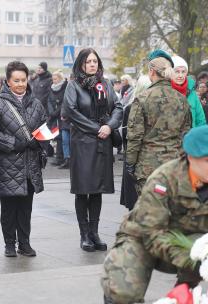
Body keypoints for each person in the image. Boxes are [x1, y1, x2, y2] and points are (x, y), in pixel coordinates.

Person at [102, 125, 208, 304]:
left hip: (193, 242)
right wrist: (192, 260)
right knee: (123, 289)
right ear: (191, 157)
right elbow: (150, 232)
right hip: (142, 238)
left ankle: (186, 293)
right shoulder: (164, 179)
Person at [63, 48, 123, 252]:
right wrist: (97, 128)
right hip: (83, 143)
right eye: (88, 61)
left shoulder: (105, 84)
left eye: (95, 61)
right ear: (81, 64)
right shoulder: (73, 86)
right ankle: (84, 234)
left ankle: (95, 232)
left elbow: (118, 107)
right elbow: (71, 111)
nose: (92, 64)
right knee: (83, 190)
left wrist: (109, 126)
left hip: (102, 143)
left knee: (97, 190)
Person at [0, 61, 46, 258]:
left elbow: (44, 127)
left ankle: (25, 243)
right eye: (16, 80)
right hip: (7, 165)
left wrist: (40, 142)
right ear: (8, 81)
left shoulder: (36, 103)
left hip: (30, 164)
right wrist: (14, 143)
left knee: (26, 208)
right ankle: (9, 244)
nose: (21, 84)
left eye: (23, 80)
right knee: (9, 208)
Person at [126, 49, 191, 195]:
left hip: (148, 166)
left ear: (152, 72)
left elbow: (135, 136)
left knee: (151, 212)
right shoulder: (182, 100)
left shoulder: (142, 99)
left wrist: (130, 163)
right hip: (174, 164)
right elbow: (186, 134)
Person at [120, 75, 151, 210]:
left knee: (133, 199)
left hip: (133, 154)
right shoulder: (132, 107)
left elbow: (125, 136)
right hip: (147, 154)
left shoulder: (130, 107)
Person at [171, 55, 206, 128]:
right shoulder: (164, 91)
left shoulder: (192, 93)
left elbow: (200, 120)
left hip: (190, 137)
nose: (180, 75)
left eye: (183, 72)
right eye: (177, 71)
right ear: (170, 72)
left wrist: (196, 137)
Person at [47, 70, 68, 167]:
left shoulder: (65, 87)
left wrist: (56, 112)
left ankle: (63, 158)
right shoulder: (52, 88)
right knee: (56, 136)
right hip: (54, 116)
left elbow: (64, 102)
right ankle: (58, 157)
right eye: (53, 79)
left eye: (55, 79)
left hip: (61, 116)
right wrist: (51, 111)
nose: (53, 81)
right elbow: (49, 100)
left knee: (62, 138)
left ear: (60, 79)